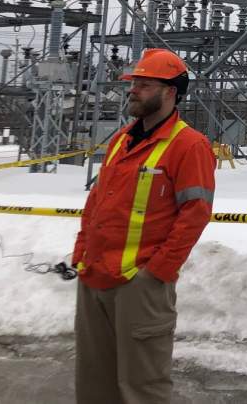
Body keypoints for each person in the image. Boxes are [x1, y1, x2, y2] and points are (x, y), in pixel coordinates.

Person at [72, 48, 216, 404]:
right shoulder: (122, 138)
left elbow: (195, 214)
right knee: (94, 382)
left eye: (144, 84)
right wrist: (80, 253)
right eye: (133, 83)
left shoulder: (189, 145)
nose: (133, 90)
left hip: (139, 283)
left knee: (143, 386)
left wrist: (156, 273)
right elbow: (97, 202)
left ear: (170, 92)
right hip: (94, 276)